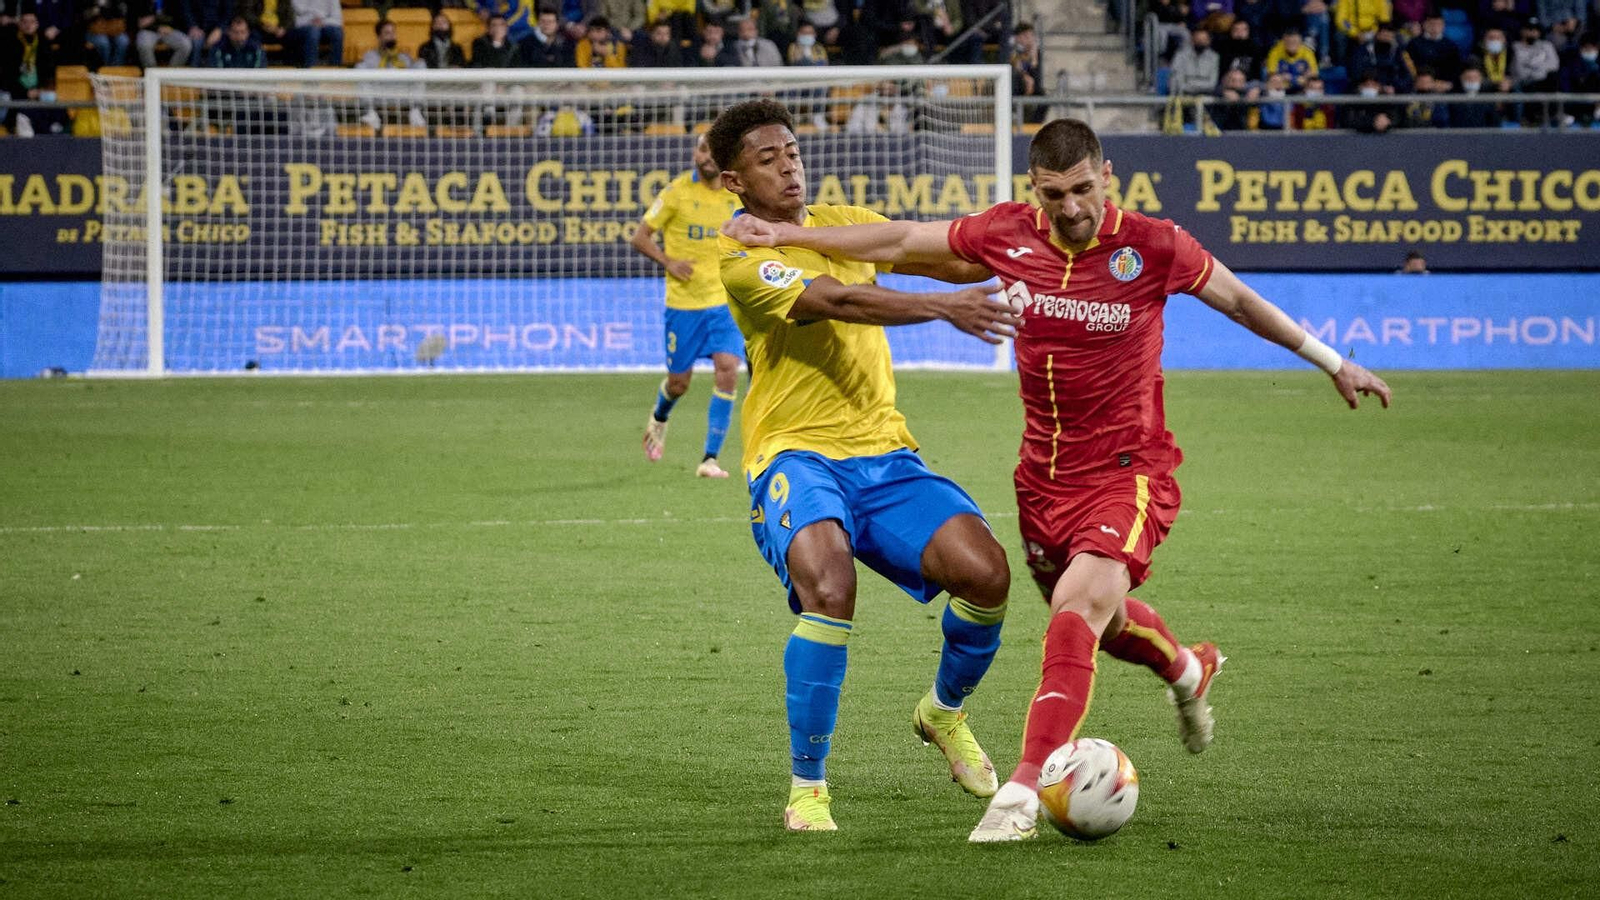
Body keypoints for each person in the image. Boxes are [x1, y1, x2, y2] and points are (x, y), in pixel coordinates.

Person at [722, 116, 1393, 842]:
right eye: (1053, 195)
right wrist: (798, 242)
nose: (1071, 208)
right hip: (994, 473)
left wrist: (1334, 361)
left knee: (1041, 597)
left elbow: (1234, 299)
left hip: (1117, 469)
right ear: (1033, 190)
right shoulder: (753, 254)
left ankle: (1009, 781)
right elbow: (871, 272)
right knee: (1089, 619)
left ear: (1107, 176)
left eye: (1081, 190)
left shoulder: (1153, 245)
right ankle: (1184, 670)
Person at [710, 98, 1021, 832]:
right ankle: (808, 787)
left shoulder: (843, 220)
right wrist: (945, 308)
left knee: (986, 576)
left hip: (883, 453)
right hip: (796, 453)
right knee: (830, 585)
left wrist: (1020, 246)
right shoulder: (742, 260)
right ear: (734, 181)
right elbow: (840, 300)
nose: (789, 167)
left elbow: (946, 256)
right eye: (767, 159)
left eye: (792, 151)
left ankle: (942, 712)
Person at [630, 135, 746, 479]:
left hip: (723, 302)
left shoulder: (737, 195)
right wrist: (669, 262)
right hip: (683, 305)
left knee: (728, 369)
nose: (705, 156)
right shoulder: (676, 192)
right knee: (679, 383)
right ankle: (660, 416)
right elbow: (640, 237)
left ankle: (710, 458)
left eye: (712, 150)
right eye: (701, 149)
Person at [287, 0, 341, 67]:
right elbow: (294, 19)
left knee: (337, 33)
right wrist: (311, 21)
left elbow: (337, 20)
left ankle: (335, 67)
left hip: (324, 23)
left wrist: (322, 22)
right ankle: (311, 67)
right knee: (313, 32)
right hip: (303, 25)